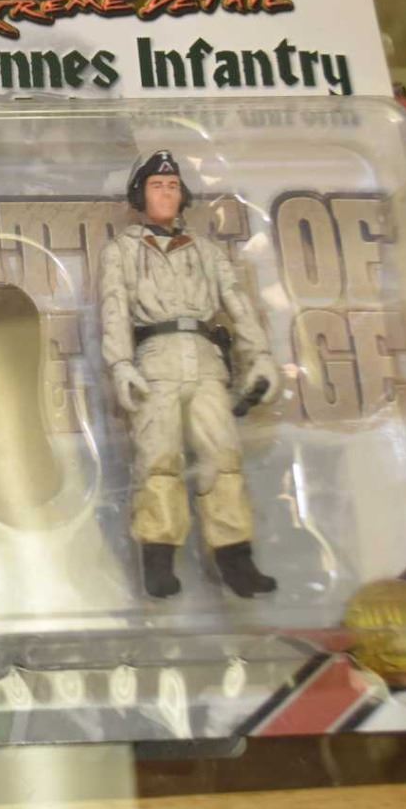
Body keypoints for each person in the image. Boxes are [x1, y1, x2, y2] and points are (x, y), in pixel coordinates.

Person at [97, 151, 281, 599]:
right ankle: (158, 557)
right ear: (140, 195)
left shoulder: (206, 250)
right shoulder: (122, 250)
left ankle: (235, 558)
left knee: (223, 455)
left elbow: (237, 303)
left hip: (204, 359)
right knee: (157, 458)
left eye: (173, 186)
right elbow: (114, 307)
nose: (166, 193)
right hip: (155, 361)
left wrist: (259, 355)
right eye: (157, 186)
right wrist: (120, 364)